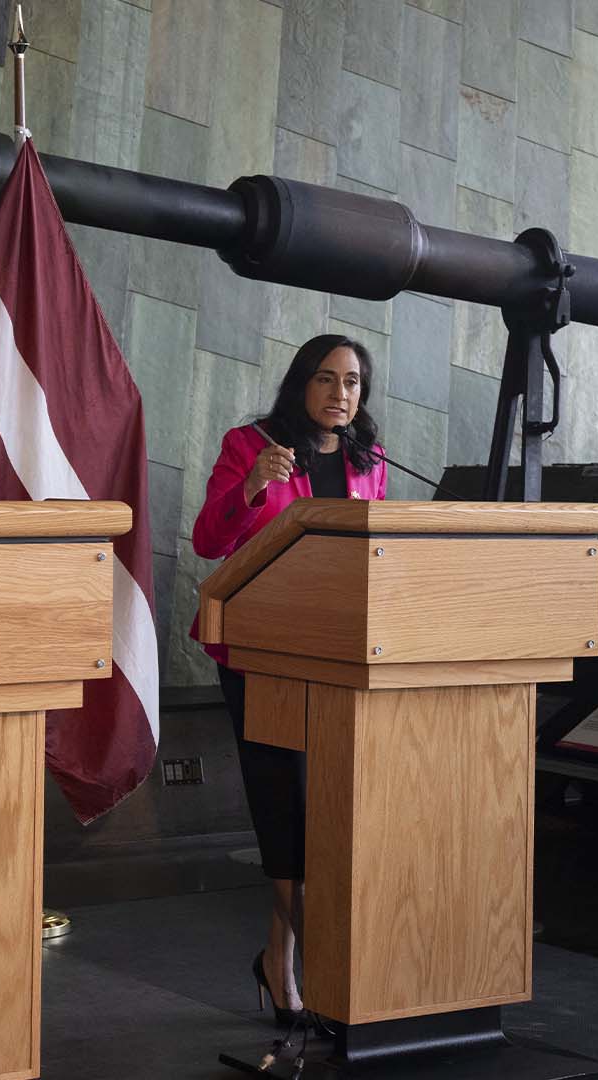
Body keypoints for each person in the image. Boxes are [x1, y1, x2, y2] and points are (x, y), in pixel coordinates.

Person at [189, 333, 388, 1024]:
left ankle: (281, 956)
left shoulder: (370, 459)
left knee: (327, 811)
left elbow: (375, 555)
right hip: (260, 655)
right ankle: (304, 959)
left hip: (336, 656)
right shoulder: (252, 445)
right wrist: (251, 488)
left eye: (353, 382)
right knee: (284, 804)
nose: (341, 394)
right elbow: (209, 542)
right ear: (302, 383)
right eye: (327, 379)